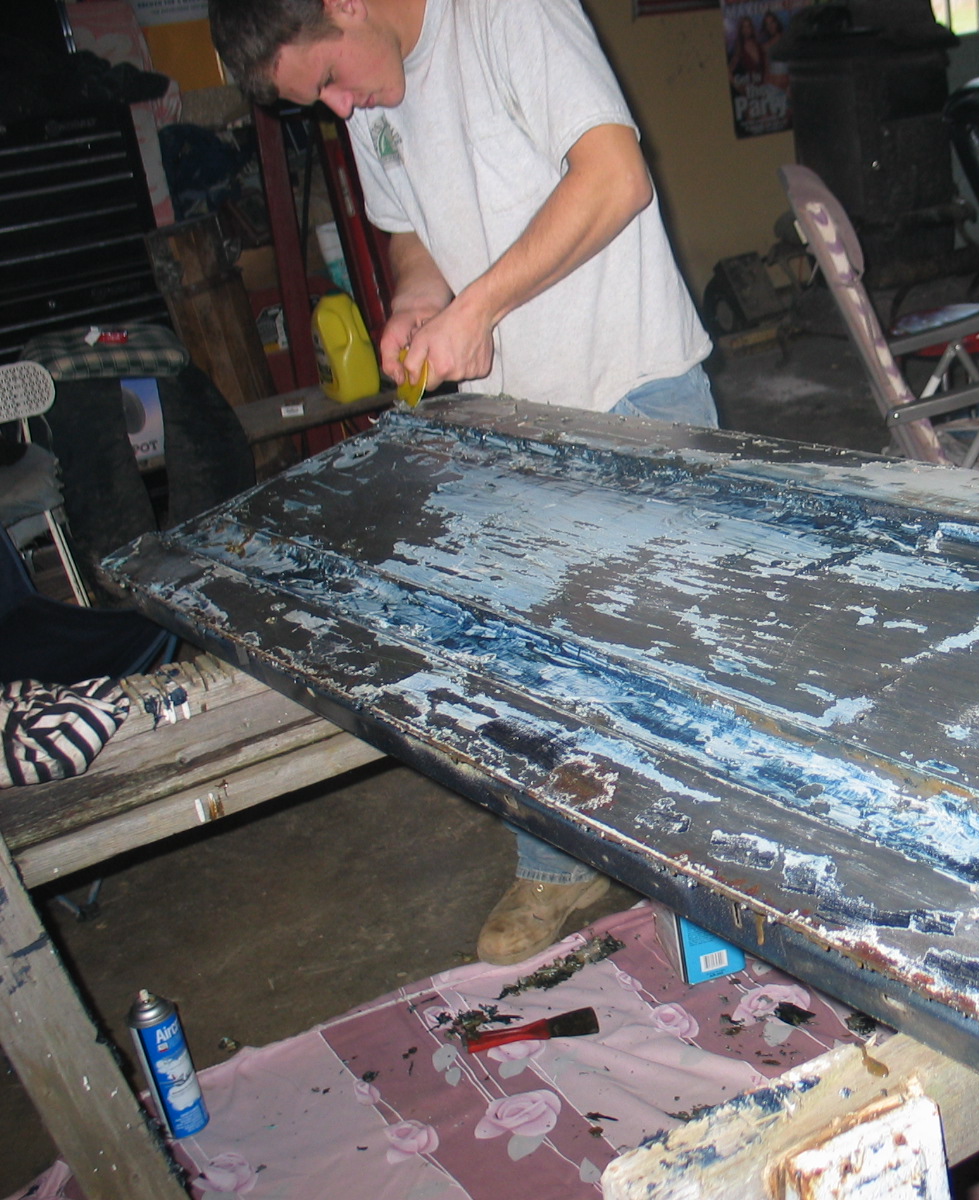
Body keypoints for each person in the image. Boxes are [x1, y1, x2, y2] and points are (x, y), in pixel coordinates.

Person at [209, 0, 715, 965]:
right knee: (516, 660)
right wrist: (418, 297)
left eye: (330, 80)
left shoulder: (504, 15)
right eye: (320, 101)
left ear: (345, 3)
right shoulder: (371, 90)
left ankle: (715, 880)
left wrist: (478, 307)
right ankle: (559, 863)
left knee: (670, 672)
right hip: (507, 422)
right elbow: (409, 231)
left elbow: (615, 177)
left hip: (630, 388)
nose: (341, 108)